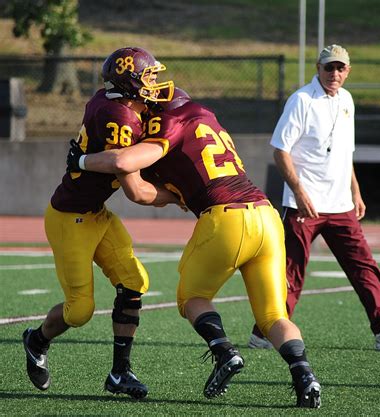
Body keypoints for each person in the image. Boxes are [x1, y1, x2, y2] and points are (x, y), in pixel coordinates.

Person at [66, 87, 322, 408]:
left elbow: (127, 167)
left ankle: (223, 351)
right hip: (266, 217)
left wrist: (82, 159)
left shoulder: (168, 122)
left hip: (226, 219)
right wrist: (180, 193)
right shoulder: (208, 118)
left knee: (192, 298)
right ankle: (305, 376)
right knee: (273, 316)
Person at [22, 46, 180, 399]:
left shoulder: (112, 101)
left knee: (134, 282)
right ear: (128, 83)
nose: (154, 83)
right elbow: (135, 189)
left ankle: (120, 373)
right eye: (147, 77)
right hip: (70, 218)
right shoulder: (118, 117)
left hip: (96, 212)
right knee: (79, 310)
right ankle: (36, 340)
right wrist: (180, 196)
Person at [248, 44, 380, 352]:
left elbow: (345, 152)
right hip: (303, 205)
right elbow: (280, 151)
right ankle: (265, 332)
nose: (334, 73)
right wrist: (299, 191)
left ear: (348, 71)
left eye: (340, 68)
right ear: (318, 68)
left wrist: (355, 190)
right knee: (290, 272)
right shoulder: (301, 100)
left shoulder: (347, 100)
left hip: (340, 205)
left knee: (363, 265)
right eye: (329, 67)